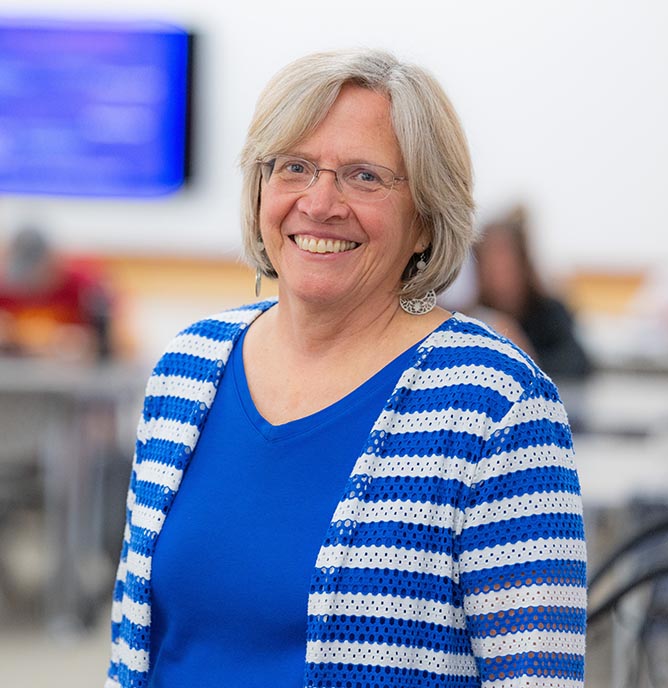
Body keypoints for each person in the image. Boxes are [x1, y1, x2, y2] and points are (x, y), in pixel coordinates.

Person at [107, 49, 586, 688]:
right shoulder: (188, 367)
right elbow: (134, 648)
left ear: (424, 219)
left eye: (364, 176)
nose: (320, 202)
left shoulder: (497, 403)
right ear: (259, 191)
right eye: (294, 167)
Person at [473, 209, 593, 381]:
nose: (499, 278)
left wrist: (522, 355)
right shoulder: (473, 317)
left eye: (507, 268)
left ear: (523, 265)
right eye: (491, 269)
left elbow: (577, 363)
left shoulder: (549, 311)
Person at [0, 225, 113, 360]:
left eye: (36, 273)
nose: (30, 284)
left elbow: (122, 342)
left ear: (52, 261)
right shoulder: (5, 287)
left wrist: (87, 341)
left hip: (72, 373)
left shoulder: (83, 286)